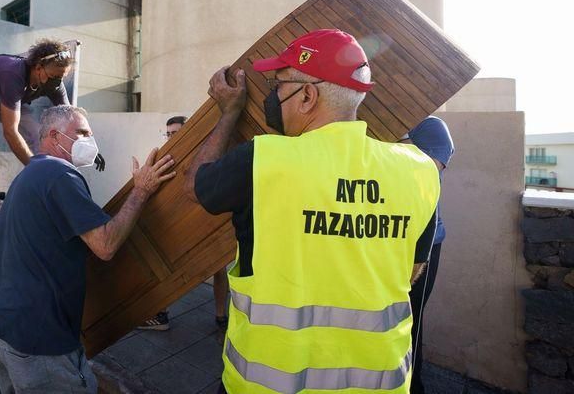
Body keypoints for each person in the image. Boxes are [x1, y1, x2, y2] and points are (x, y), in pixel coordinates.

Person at [184, 29, 441, 394]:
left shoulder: (264, 159)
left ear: (307, 95)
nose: (272, 97)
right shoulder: (418, 169)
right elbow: (414, 271)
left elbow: (193, 184)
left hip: (266, 385)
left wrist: (229, 113)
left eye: (278, 85)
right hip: (380, 384)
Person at [0, 105, 175, 393]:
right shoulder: (59, 175)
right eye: (82, 133)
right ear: (54, 136)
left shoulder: (32, 173)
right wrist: (141, 191)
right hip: (36, 340)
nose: (90, 142)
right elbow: (105, 244)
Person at [0, 39, 81, 224]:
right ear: (38, 67)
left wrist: (85, 143)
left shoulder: (54, 82)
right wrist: (36, 169)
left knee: (39, 133)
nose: (58, 82)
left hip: (7, 100)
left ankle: (45, 192)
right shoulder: (11, 74)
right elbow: (11, 132)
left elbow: (70, 117)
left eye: (62, 77)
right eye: (54, 76)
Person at [138, 115, 230, 332]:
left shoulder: (206, 153)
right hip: (178, 221)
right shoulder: (165, 156)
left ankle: (221, 316)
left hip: (207, 216)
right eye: (168, 134)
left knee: (218, 268)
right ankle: (161, 314)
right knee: (166, 266)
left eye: (176, 133)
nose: (171, 138)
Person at [403, 116, 454, 394]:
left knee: (410, 320)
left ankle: (413, 387)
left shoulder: (430, 127)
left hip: (424, 244)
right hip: (382, 239)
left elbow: (425, 175)